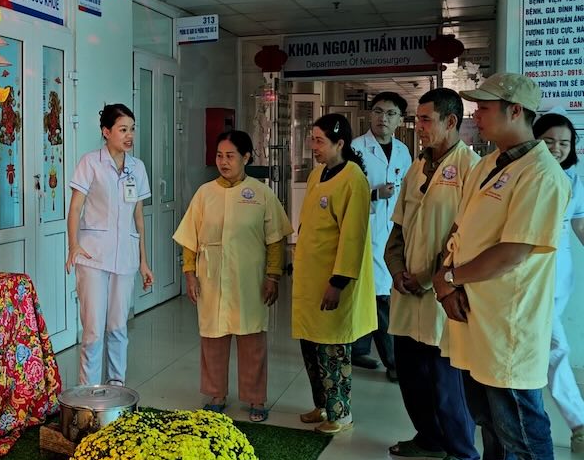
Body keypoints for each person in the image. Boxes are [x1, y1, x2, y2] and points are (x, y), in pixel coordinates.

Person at [433, 73, 569, 460]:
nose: (476, 116)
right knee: (490, 424)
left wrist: (452, 279)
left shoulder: (543, 175)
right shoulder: (490, 162)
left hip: (508, 323)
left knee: (522, 431)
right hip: (474, 313)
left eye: (485, 108)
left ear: (515, 111)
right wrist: (444, 280)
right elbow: (462, 228)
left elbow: (513, 252)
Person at [384, 89, 481, 460]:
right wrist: (396, 270)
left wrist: (428, 279)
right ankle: (426, 437)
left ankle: (463, 452)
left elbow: (464, 237)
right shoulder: (415, 166)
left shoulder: (470, 169)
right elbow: (398, 228)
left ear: (450, 122)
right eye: (418, 120)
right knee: (410, 373)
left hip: (439, 292)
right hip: (407, 291)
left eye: (426, 120)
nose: (418, 127)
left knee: (446, 380)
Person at [173, 130, 292, 423]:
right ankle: (216, 394)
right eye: (219, 156)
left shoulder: (261, 194)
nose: (223, 162)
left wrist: (273, 276)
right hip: (211, 275)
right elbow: (190, 239)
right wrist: (189, 273)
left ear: (246, 157)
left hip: (249, 277)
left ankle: (256, 397)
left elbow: (275, 239)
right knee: (212, 335)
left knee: (252, 337)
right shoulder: (204, 193)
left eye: (230, 156)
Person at [293, 113, 376, 435]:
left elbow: (352, 236)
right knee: (312, 347)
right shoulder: (317, 175)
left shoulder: (353, 179)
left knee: (332, 349)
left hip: (332, 281)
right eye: (311, 139)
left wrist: (337, 282)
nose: (313, 146)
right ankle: (322, 404)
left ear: (339, 143)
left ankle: (340, 413)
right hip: (310, 279)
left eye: (319, 141)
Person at [66, 104, 154, 387]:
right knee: (93, 330)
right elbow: (75, 207)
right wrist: (73, 245)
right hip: (92, 256)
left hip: (126, 258)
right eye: (123, 129)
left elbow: (138, 218)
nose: (129, 135)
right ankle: (88, 393)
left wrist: (143, 261)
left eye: (132, 129)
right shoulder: (90, 162)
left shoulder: (137, 168)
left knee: (118, 327)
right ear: (106, 132)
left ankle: (116, 388)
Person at [351, 91, 413, 380]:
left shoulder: (403, 150)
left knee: (377, 293)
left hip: (395, 230)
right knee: (380, 297)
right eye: (377, 112)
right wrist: (376, 193)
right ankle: (394, 363)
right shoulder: (356, 148)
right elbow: (346, 192)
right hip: (368, 230)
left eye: (390, 114)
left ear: (400, 119)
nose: (382, 118)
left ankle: (359, 349)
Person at [533, 111, 584, 453]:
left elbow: (579, 224)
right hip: (528, 267)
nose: (557, 148)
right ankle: (578, 422)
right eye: (549, 141)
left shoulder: (574, 178)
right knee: (552, 346)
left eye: (564, 143)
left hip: (558, 270)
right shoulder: (527, 175)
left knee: (547, 345)